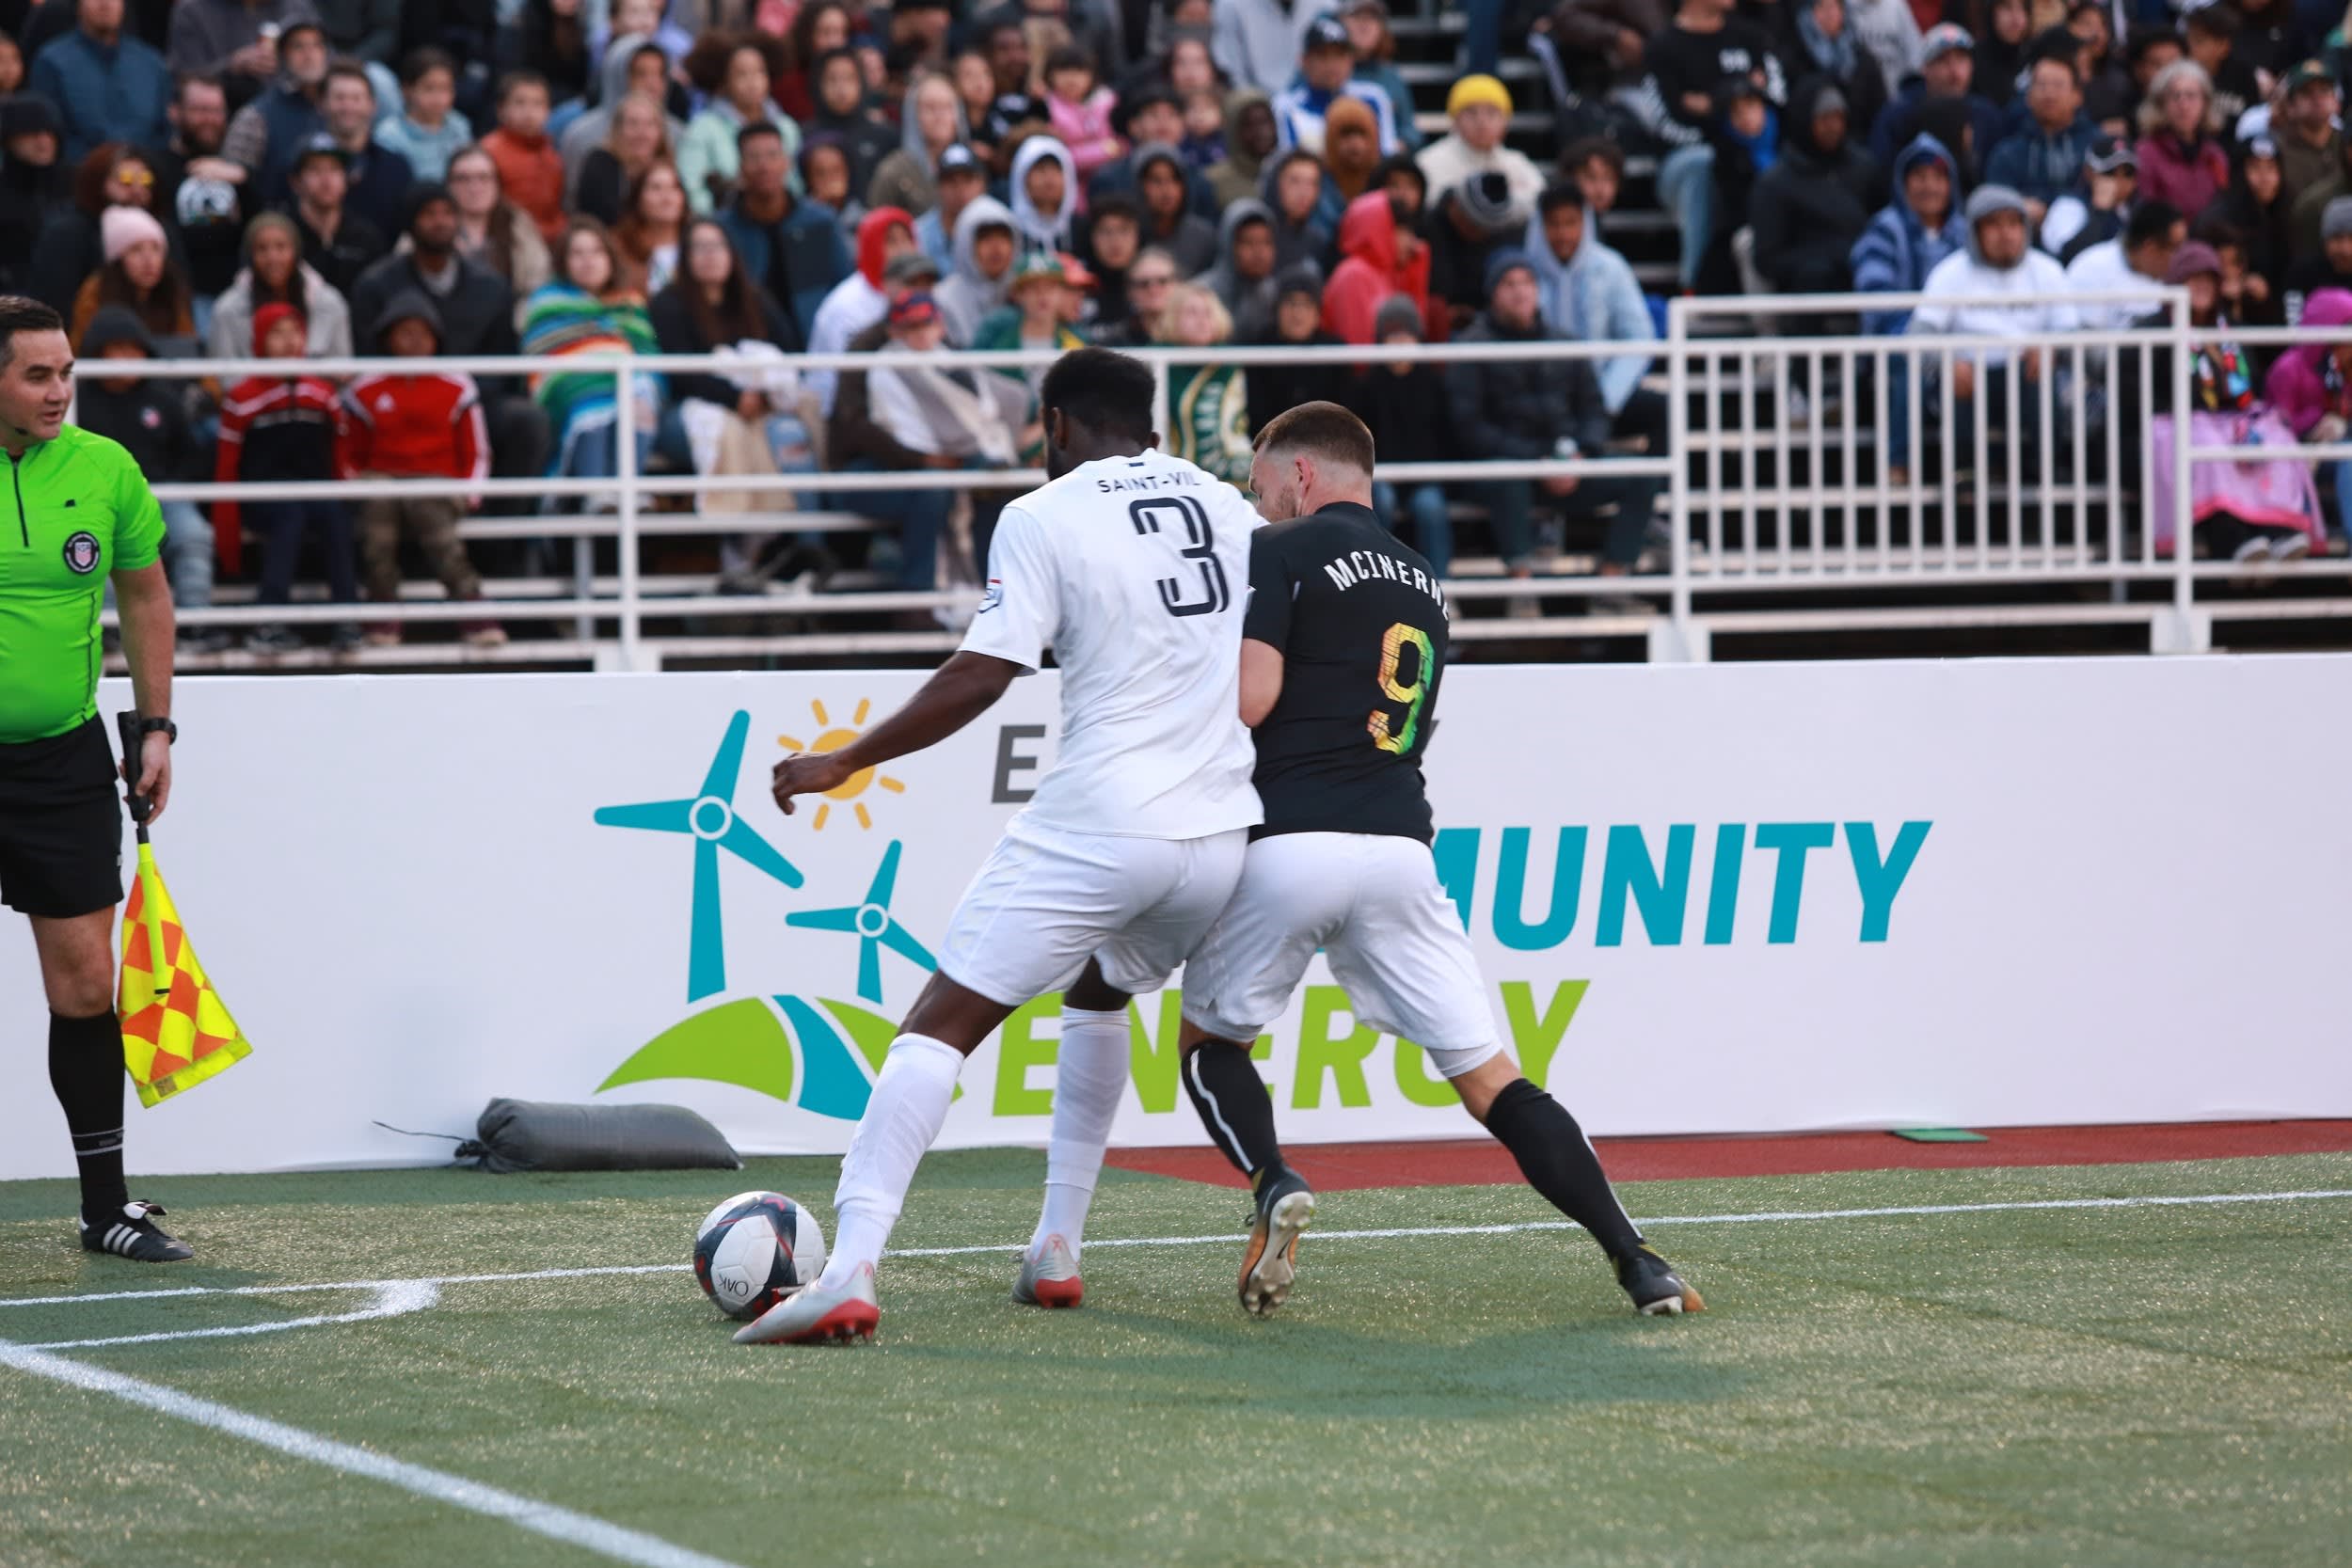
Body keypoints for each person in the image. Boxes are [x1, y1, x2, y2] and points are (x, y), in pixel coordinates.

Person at [742, 346, 1263, 1344]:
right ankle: (1056, 1245)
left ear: (1056, 425)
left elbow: (984, 673)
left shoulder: (1043, 512)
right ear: (1150, 426)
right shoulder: (1226, 502)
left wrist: (845, 758)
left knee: (935, 1025)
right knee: (1102, 988)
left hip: (1104, 820)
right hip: (1215, 839)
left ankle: (848, 1267)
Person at [1170, 401, 1703, 1318]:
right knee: (1496, 1079)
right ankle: (1637, 1258)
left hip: (1292, 839)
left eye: (1261, 483)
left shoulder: (1279, 550)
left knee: (1208, 1044)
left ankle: (1270, 1178)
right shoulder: (1424, 575)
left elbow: (1252, 699)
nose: (1258, 504)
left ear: (1300, 474)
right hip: (1402, 851)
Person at [0, 293, 190, 1264]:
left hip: (62, 761)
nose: (59, 391)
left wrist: (155, 726)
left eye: (66, 371)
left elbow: (146, 593)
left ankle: (105, 1207)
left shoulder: (106, 469)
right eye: (37, 374)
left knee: (85, 983)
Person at [1448, 250, 1661, 610]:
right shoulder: (1471, 347)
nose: (1520, 292)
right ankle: (1522, 591)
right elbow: (1469, 428)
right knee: (1505, 474)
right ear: (1493, 293)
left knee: (1644, 473)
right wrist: (1538, 460)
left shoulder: (1564, 342)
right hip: (1508, 470)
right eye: (1509, 284)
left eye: (1527, 282)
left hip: (1567, 464)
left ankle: (1612, 581)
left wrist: (1581, 453)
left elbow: (1595, 409)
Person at [349, 182, 546, 495]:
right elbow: (367, 359)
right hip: (400, 403)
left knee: (526, 421)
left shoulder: (491, 287)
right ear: (411, 223)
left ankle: (501, 535)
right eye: (429, 214)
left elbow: (505, 363)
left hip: (473, 400)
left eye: (447, 213)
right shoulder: (376, 285)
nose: (440, 221)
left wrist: (458, 395)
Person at [337, 291, 503, 648]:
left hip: (438, 482)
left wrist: (470, 493)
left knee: (429, 508)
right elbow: (348, 451)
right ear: (388, 338)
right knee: (377, 512)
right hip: (382, 479)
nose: (414, 341)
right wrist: (355, 487)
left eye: (422, 333)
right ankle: (382, 609)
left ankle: (473, 609)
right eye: (405, 332)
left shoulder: (457, 383)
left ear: (436, 339)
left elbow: (477, 450)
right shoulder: (365, 386)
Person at [213, 299, 358, 655]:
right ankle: (270, 622)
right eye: (278, 334)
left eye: (296, 333)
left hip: (315, 492)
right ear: (260, 341)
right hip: (262, 498)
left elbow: (340, 457)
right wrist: (227, 535)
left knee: (336, 517)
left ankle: (348, 617)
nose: (290, 342)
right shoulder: (241, 398)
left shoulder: (323, 394)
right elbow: (226, 470)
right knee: (289, 515)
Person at [73, 307, 214, 624]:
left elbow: (189, 454)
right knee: (98, 548)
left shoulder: (163, 398)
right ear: (99, 352)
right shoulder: (76, 402)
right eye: (118, 348)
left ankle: (197, 625)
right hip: (99, 502)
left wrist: (171, 485)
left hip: (161, 496)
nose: (128, 358)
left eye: (134, 349)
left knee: (194, 534)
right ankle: (109, 628)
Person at [1637, 0, 1789, 290]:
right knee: (1704, 163)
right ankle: (1694, 285)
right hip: (1683, 164)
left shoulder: (1751, 37)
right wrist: (1736, 105)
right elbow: (1662, 124)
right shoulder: (1662, 47)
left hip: (1752, 153)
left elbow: (1779, 99)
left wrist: (1714, 104)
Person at [521, 217, 663, 499]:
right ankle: (596, 498)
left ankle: (626, 495)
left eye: (597, 251)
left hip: (626, 387)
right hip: (572, 388)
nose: (588, 261)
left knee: (641, 397)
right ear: (564, 261)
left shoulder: (630, 303)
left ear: (610, 257)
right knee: (593, 404)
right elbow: (548, 353)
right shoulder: (546, 301)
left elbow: (648, 355)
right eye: (578, 253)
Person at [1525, 184, 1661, 457]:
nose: (1563, 234)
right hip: (1538, 401)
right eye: (1554, 224)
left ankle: (1662, 488)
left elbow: (1639, 337)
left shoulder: (1610, 267)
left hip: (1602, 391)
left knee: (1663, 410)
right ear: (1540, 227)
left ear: (1585, 223)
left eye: (1571, 223)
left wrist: (1605, 397)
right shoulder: (1522, 272)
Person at [716, 120, 850, 345]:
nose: (764, 166)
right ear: (740, 167)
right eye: (754, 157)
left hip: (816, 349)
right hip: (748, 353)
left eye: (772, 155)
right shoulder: (723, 229)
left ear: (786, 163)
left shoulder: (822, 221)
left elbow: (844, 289)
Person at [1347, 297, 1455, 576]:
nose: (1399, 342)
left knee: (1430, 508)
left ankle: (1441, 587)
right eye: (1392, 335)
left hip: (1425, 478)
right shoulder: (1367, 386)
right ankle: (1377, 582)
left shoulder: (1433, 384)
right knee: (1379, 501)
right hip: (1381, 477)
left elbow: (1445, 437)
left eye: (1406, 334)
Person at [1750, 77, 1878, 295]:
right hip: (1807, 292)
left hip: (1863, 277)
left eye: (1839, 117)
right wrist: (1826, 257)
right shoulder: (1776, 183)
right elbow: (1767, 259)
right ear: (1805, 120)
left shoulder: (1865, 167)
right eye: (1824, 118)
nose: (1833, 127)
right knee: (1813, 275)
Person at [29, 0, 172, 166]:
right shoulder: (52, 61)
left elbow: (165, 130)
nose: (105, 4)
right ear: (78, 6)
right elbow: (53, 133)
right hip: (77, 175)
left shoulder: (151, 61)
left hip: (147, 174)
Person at [808, 206, 919, 414]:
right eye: (891, 241)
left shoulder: (920, 291)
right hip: (845, 408)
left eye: (906, 240)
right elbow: (844, 380)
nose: (902, 249)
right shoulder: (845, 304)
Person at [217, 18, 330, 212]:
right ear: (282, 57)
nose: (309, 54)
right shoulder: (256, 115)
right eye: (298, 47)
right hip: (276, 227)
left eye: (316, 45)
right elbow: (232, 180)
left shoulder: (341, 105)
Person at [679, 36, 801, 216]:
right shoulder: (703, 128)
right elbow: (691, 186)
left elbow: (793, 182)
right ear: (725, 81)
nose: (752, 82)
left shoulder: (786, 127)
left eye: (759, 72)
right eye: (741, 74)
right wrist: (714, 222)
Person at [208, 209, 351, 358]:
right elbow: (223, 375)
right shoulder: (226, 309)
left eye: (281, 247)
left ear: (296, 252)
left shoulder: (331, 303)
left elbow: (342, 371)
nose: (272, 258)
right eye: (262, 249)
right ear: (250, 256)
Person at [1867, 23, 2001, 173]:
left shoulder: (1987, 115)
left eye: (1961, 59)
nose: (1954, 71)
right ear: (1925, 68)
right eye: (1943, 60)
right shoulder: (1898, 116)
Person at [1983, 51, 2097, 222]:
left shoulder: (2097, 146)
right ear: (2028, 96)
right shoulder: (2007, 153)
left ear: (2077, 96)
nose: (2049, 94)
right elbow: (1994, 203)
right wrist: (2019, 206)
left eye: (2058, 85)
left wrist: (2049, 209)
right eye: (2041, 85)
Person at [1159, 280, 1251, 484]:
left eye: (1207, 313)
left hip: (1233, 470)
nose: (1201, 320)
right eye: (1192, 312)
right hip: (1178, 475)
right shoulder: (1157, 362)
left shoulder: (1228, 363)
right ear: (1173, 318)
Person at [1273, 13, 1401, 159]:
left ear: (1351, 59)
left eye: (1339, 55)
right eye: (1322, 55)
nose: (1332, 64)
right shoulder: (1284, 106)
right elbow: (1291, 166)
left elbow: (1387, 156)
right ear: (1304, 61)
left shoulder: (1374, 98)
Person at [71, 205, 195, 351]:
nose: (149, 260)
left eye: (156, 248)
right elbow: (81, 350)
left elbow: (190, 348)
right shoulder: (95, 294)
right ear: (118, 259)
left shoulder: (172, 293)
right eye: (136, 249)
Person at [1416, 72, 1543, 212]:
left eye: (1492, 112)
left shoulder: (1516, 163)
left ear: (1505, 121)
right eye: (1471, 112)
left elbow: (1542, 200)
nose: (1482, 121)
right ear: (1455, 120)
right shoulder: (1429, 162)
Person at [1322, 189, 1434, 346]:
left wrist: (1416, 270)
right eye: (1401, 232)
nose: (1410, 242)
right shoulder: (1353, 275)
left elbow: (1413, 334)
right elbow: (1357, 350)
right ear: (1377, 230)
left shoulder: (1388, 274)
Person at [444, 144, 553, 306]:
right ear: (449, 185)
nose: (474, 187)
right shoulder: (433, 223)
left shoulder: (516, 222)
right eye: (463, 179)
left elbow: (539, 277)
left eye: (483, 177)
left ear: (497, 183)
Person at [1247, 261, 1347, 431]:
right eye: (1291, 303)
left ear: (1317, 312)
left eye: (1307, 304)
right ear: (1277, 309)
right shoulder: (1260, 351)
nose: (1298, 313)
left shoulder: (1335, 353)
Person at [284, 133, 384, 301]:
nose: (326, 179)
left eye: (334, 169)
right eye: (314, 170)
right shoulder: (283, 235)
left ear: (347, 179)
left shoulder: (366, 237)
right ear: (296, 182)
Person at [167, 0, 321, 109]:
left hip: (292, 112)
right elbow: (182, 81)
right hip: (220, 118)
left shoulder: (298, 7)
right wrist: (232, 66)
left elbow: (327, 63)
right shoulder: (194, 11)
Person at [1426, 169, 1525, 332]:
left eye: (1487, 230)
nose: (1481, 234)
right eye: (1475, 226)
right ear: (1455, 206)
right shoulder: (1426, 230)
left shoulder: (1502, 235)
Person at [1777, 0, 1889, 142]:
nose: (1828, 14)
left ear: (1843, 12)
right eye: (1821, 7)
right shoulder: (1796, 56)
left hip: (1860, 145)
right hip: (1811, 146)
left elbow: (1879, 111)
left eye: (1833, 7)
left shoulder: (1862, 58)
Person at [2135, 59, 2232, 225]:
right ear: (2161, 104)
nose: (2184, 105)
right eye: (2175, 96)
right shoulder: (2145, 153)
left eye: (2191, 96)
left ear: (2205, 103)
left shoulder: (2215, 155)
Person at [2064, 198, 2182, 332]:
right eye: (2176, 248)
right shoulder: (2091, 268)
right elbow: (2087, 344)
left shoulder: (2180, 276)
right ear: (2151, 248)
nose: (2181, 255)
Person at [480, 71, 564, 246]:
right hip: (507, 242)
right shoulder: (487, 152)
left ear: (548, 111)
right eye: (519, 103)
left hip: (551, 241)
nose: (529, 112)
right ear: (501, 110)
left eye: (538, 104)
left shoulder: (551, 152)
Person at [868, 71, 967, 219]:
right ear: (913, 115)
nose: (939, 116)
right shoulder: (893, 172)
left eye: (947, 107)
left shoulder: (971, 168)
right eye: (930, 107)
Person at [575, 91, 675, 230]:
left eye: (650, 124)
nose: (642, 132)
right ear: (618, 130)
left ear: (661, 132)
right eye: (633, 123)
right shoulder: (600, 164)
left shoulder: (668, 170)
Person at [373, 45, 471, 185]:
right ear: (407, 90)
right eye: (429, 88)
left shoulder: (460, 125)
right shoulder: (389, 135)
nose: (438, 98)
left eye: (445, 88)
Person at [806, 47, 895, 198]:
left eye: (849, 78)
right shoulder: (807, 136)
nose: (841, 88)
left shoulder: (885, 136)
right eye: (832, 79)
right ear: (819, 85)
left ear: (861, 82)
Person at [935, 193, 1019, 345]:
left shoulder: (1026, 291)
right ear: (965, 244)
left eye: (1003, 237)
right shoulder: (943, 299)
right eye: (985, 238)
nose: (996, 247)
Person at [2040, 133, 2136, 261]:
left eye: (2128, 174)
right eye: (2110, 173)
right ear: (2089, 172)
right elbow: (2070, 257)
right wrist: (2100, 213)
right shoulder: (2069, 206)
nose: (2120, 181)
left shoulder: (2136, 210)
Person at [1340, 0, 1422, 151]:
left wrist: (1394, 147)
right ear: (1340, 22)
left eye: (1373, 18)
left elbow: (1410, 132)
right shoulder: (1324, 70)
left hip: (1382, 164)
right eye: (1357, 16)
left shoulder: (1391, 77)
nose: (1364, 25)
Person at [1042, 44, 1122, 191]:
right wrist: (1102, 151)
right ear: (1049, 75)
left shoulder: (1108, 103)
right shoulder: (1043, 107)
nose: (1071, 79)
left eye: (1079, 71)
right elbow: (1058, 158)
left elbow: (1121, 147)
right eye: (1064, 71)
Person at [1202, 198, 1280, 342]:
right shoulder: (1202, 295)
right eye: (1248, 242)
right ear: (1228, 244)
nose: (1259, 252)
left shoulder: (1275, 294)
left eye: (1266, 242)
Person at [612, 159, 689, 296]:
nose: (667, 197)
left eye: (674, 187)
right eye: (656, 188)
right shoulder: (618, 247)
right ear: (638, 199)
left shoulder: (698, 244)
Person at [2274, 59, 2340, 213]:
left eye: (2324, 90)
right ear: (2290, 106)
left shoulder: (2346, 145)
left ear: (2337, 102)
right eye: (2307, 92)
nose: (2317, 98)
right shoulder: (2278, 151)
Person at [1206, 88, 1277, 212]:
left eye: (1266, 121)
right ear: (1233, 131)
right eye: (1250, 125)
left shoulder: (1289, 176)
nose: (1263, 132)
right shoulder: (1213, 182)